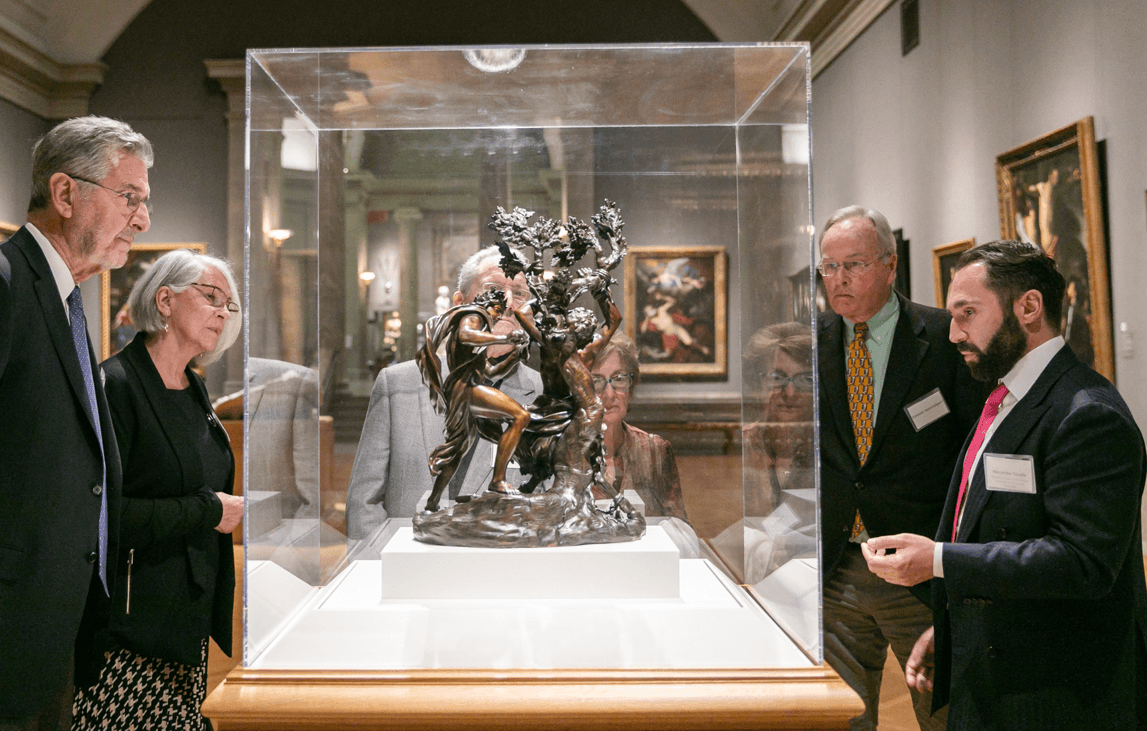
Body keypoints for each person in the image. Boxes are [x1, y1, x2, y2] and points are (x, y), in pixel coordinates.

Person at [863, 240, 1147, 731]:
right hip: (996, 672)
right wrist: (954, 624)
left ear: (1029, 307)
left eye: (967, 313)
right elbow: (997, 526)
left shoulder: (1089, 414)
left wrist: (937, 561)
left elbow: (1082, 564)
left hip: (1055, 698)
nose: (953, 333)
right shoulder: (1006, 396)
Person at [0, 116, 152, 730]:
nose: (143, 221)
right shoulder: (8, 284)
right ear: (65, 194)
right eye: (130, 198)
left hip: (52, 625)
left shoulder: (65, 299)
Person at [817, 205, 984, 731]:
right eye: (829, 267)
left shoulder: (944, 338)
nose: (838, 280)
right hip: (837, 568)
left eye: (855, 265)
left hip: (920, 573)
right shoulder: (810, 341)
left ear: (891, 267)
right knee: (839, 718)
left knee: (944, 716)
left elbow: (973, 452)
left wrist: (956, 561)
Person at [72, 249, 243, 730]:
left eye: (228, 304)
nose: (222, 312)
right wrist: (207, 511)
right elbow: (102, 517)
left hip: (184, 619)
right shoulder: (117, 386)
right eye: (210, 296)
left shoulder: (193, 387)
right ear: (164, 300)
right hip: (129, 630)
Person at [345, 246, 543, 540]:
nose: (509, 302)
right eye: (494, 288)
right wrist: (384, 572)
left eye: (520, 293)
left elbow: (550, 504)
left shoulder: (544, 393)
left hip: (499, 575)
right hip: (408, 574)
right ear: (460, 302)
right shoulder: (397, 385)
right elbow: (363, 506)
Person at [417, 288, 531, 513]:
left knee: (458, 450)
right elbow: (466, 335)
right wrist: (504, 337)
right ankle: (498, 480)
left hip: (466, 388)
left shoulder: (480, 331)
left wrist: (514, 355)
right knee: (521, 415)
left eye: (499, 313)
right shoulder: (474, 315)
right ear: (486, 303)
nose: (497, 317)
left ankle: (432, 502)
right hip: (467, 388)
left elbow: (492, 372)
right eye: (496, 310)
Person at [741, 322, 816, 581]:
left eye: (805, 380)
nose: (791, 392)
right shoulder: (739, 446)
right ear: (757, 385)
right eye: (777, 378)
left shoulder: (830, 450)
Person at [587, 332, 688, 521]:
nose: (609, 394)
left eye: (618, 379)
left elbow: (681, 531)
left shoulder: (654, 451)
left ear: (631, 387)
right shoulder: (562, 454)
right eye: (596, 381)